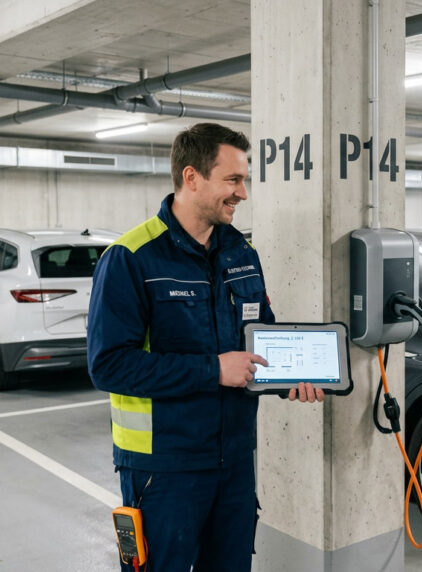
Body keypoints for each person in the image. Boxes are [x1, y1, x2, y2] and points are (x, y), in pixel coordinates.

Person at [87, 122, 324, 572]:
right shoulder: (131, 257)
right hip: (163, 469)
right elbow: (109, 366)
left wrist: (292, 376)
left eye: (244, 180)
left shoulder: (240, 253)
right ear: (191, 177)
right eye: (233, 180)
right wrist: (212, 370)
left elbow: (259, 340)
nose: (243, 193)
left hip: (234, 460)